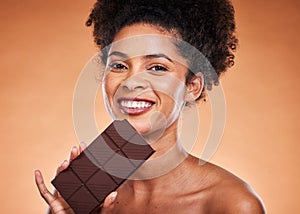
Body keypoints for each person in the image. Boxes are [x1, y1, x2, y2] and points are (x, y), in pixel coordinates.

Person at [35, 0, 266, 213]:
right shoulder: (81, 194)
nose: (131, 82)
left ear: (192, 86)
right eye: (118, 65)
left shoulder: (231, 203)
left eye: (157, 67)